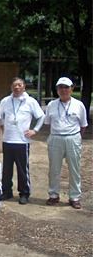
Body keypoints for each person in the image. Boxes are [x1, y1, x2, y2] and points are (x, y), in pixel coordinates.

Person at [44, 77, 88, 209]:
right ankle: (53, 194)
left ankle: (74, 197)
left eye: (66, 87)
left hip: (72, 138)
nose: (63, 90)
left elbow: (83, 125)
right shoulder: (52, 105)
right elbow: (48, 123)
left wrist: (75, 137)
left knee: (74, 169)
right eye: (60, 87)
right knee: (54, 169)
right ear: (57, 89)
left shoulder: (78, 105)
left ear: (72, 89)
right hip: (56, 138)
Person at [0, 77, 45, 205]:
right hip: (8, 139)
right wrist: (2, 126)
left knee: (22, 168)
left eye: (19, 85)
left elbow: (41, 116)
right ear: (11, 87)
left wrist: (34, 130)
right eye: (14, 85)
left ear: (24, 87)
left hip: (22, 141)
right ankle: (7, 191)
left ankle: (24, 193)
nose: (17, 88)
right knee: (7, 168)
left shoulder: (30, 101)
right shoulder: (6, 101)